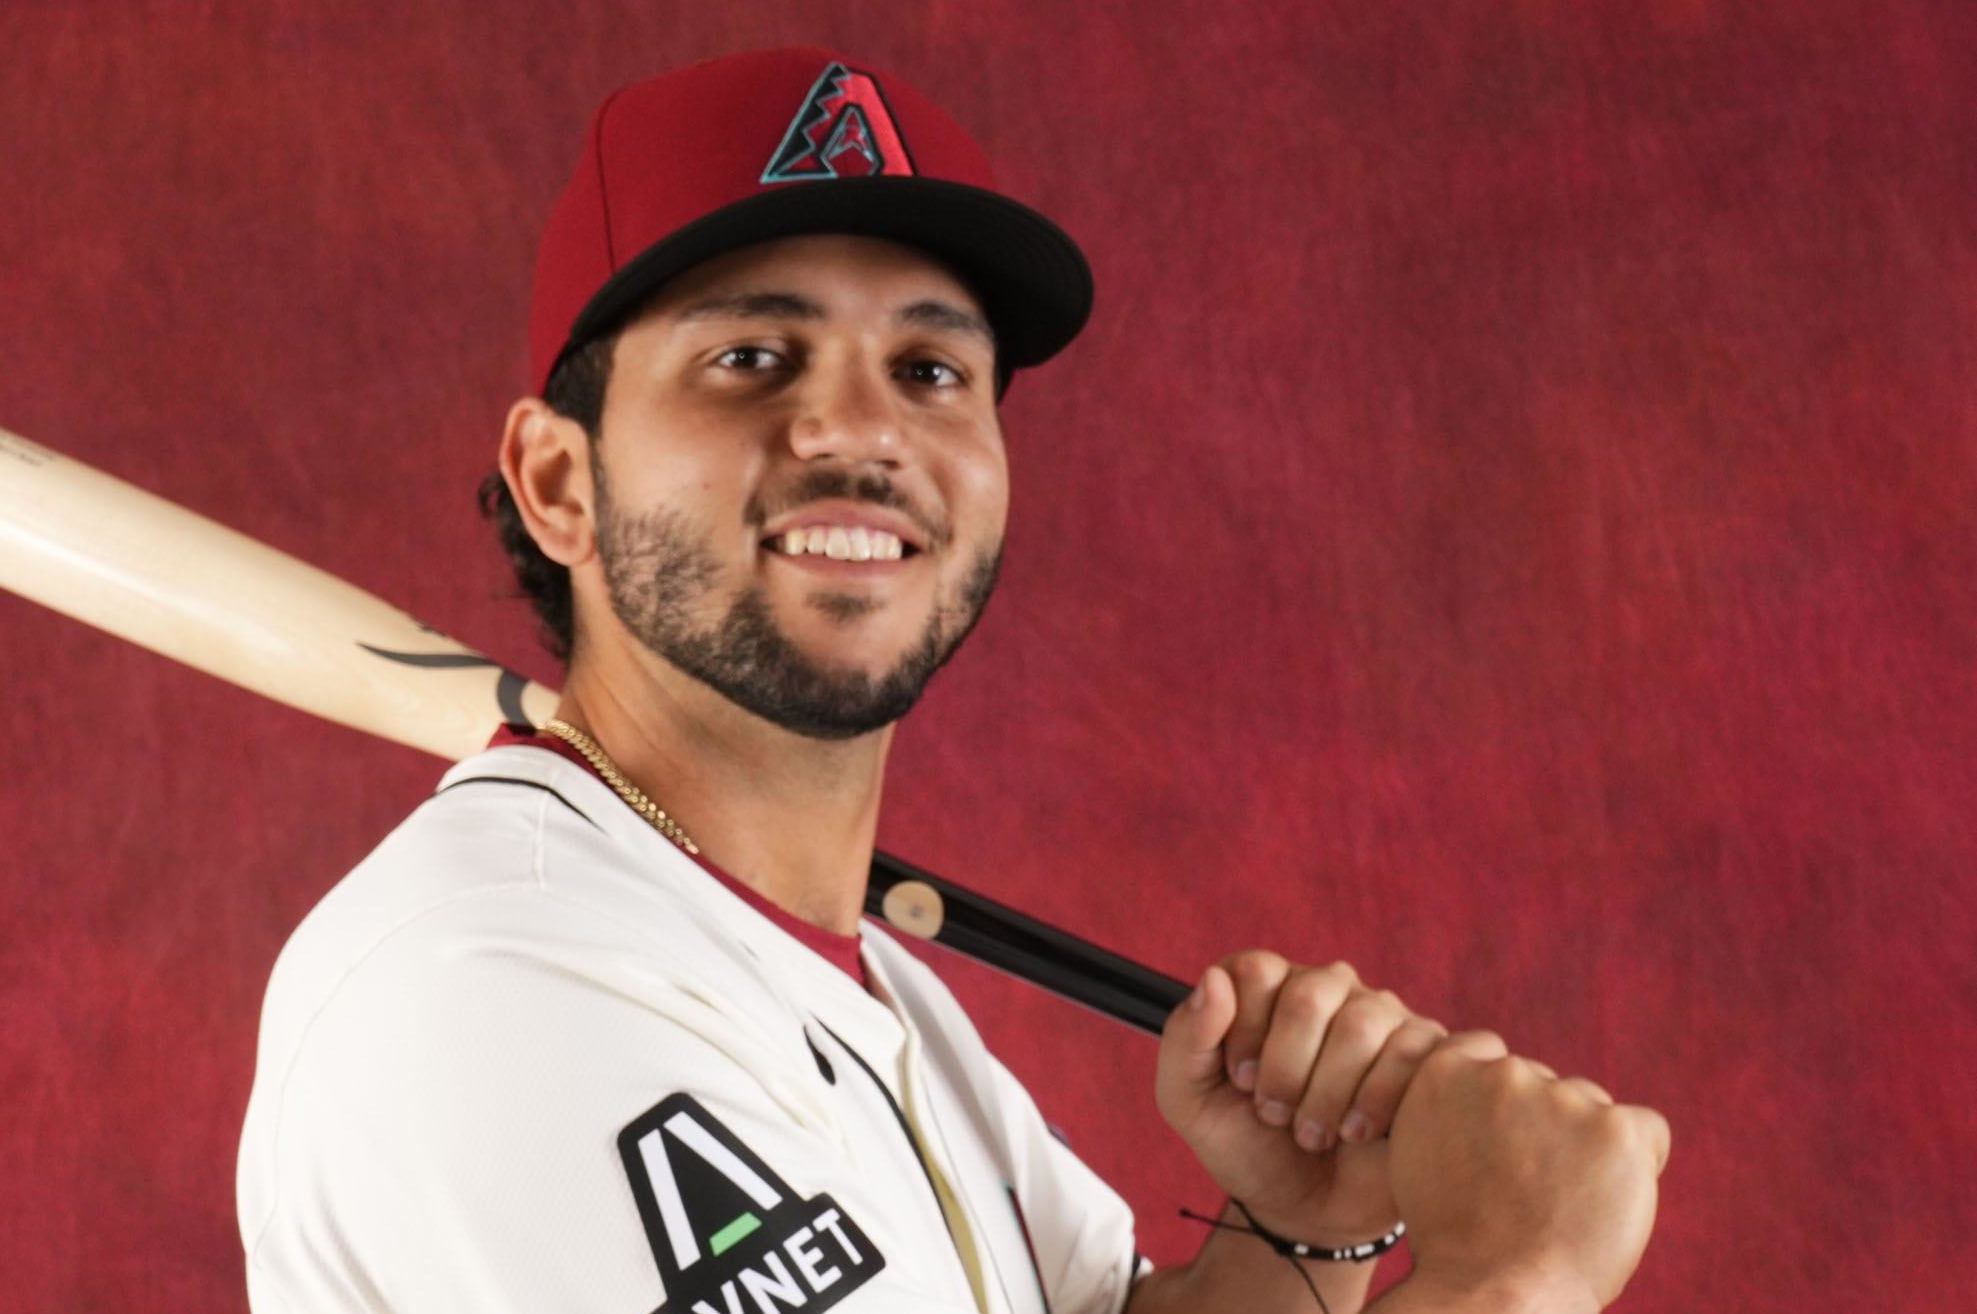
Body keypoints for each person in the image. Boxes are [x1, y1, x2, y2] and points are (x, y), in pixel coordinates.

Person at [237, 47, 1668, 1314]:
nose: (860, 428)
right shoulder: (491, 980)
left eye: (929, 368)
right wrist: (1513, 1276)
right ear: (559, 481)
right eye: (751, 354)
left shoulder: (862, 989)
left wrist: (1294, 1237)